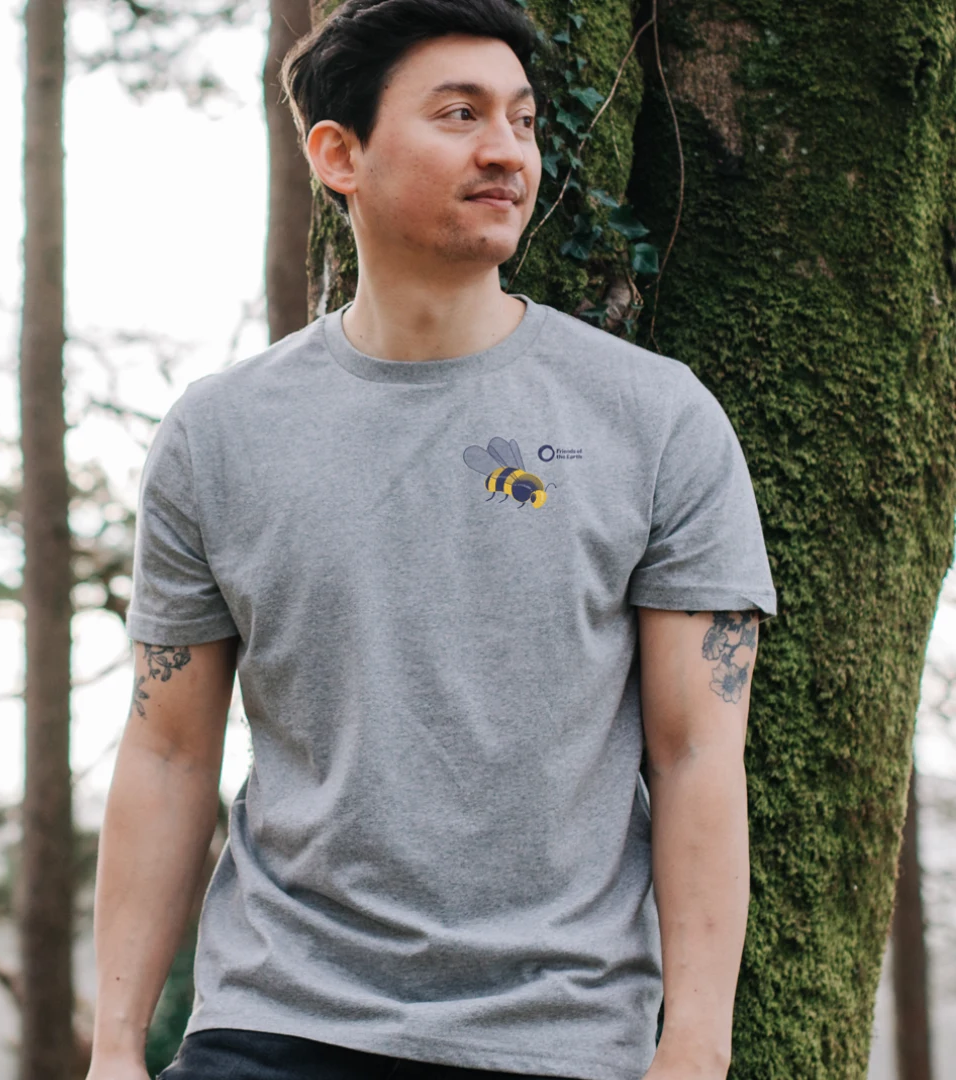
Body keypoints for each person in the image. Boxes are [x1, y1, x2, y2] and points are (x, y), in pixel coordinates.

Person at [86, 1, 778, 1078]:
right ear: (339, 154)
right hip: (277, 1026)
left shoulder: (655, 419)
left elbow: (697, 752)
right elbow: (169, 750)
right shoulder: (219, 434)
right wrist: (115, 1049)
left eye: (523, 120)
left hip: (556, 1037)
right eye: (460, 114)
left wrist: (695, 1048)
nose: (507, 150)